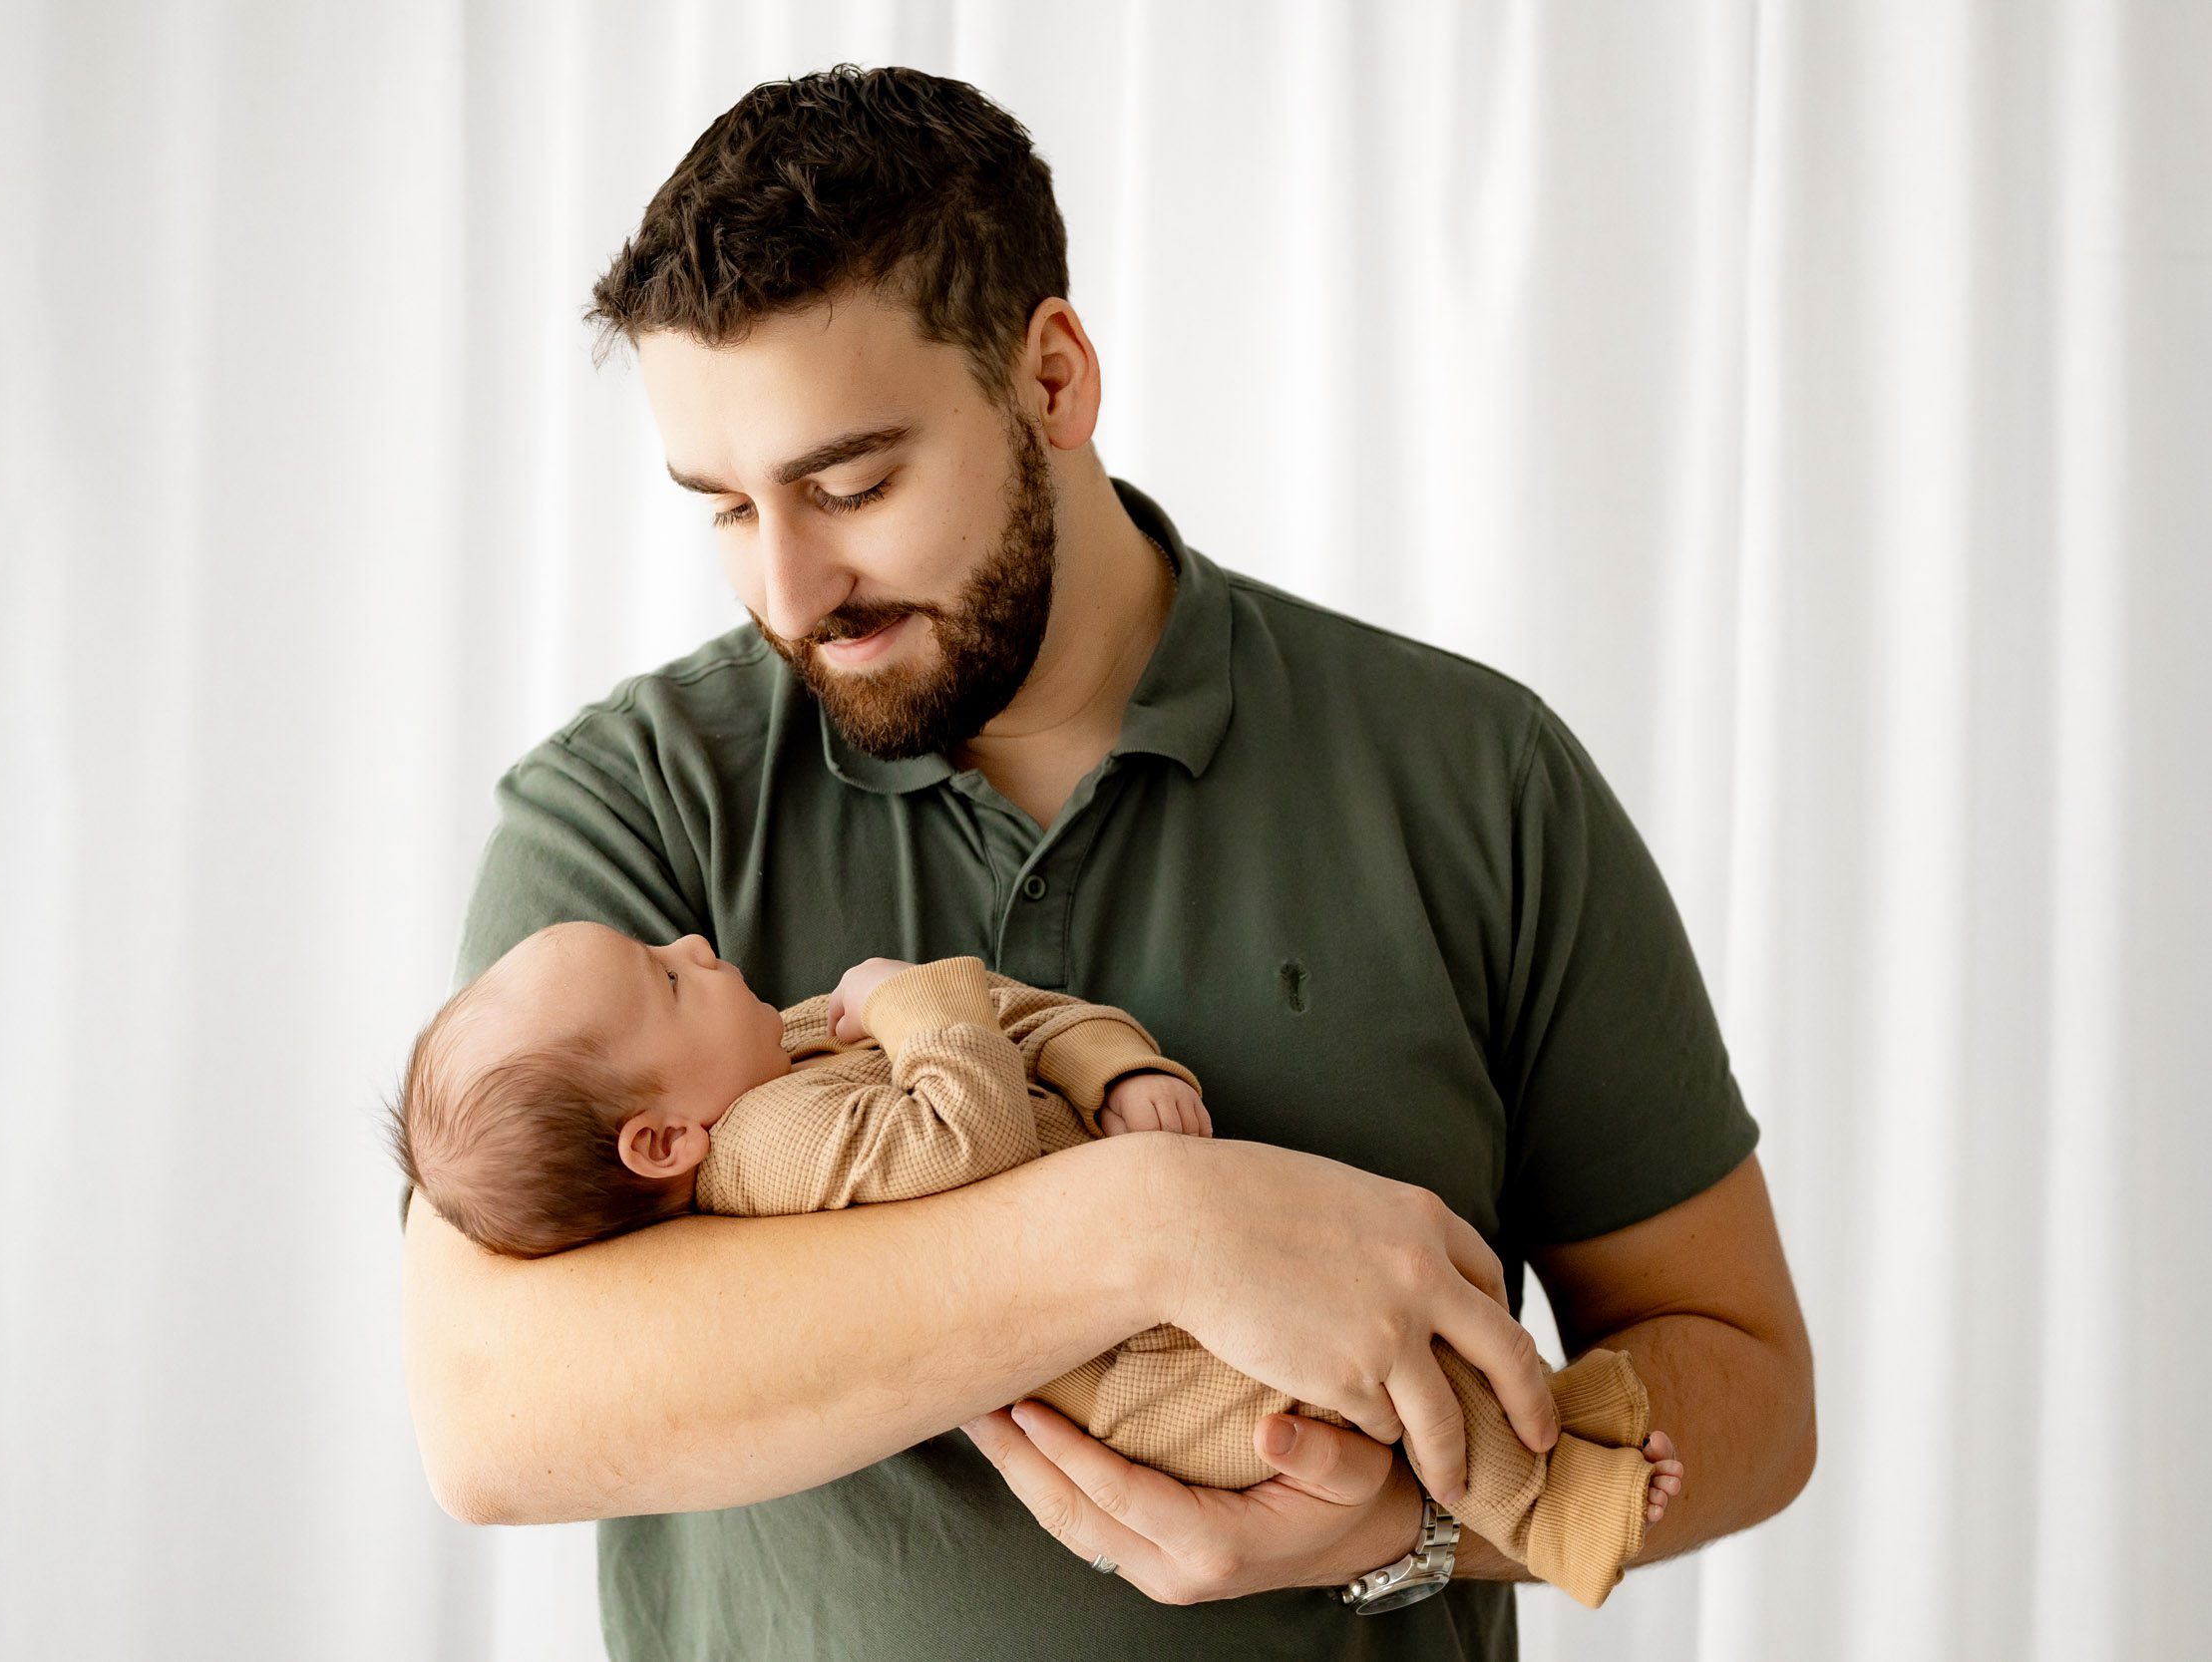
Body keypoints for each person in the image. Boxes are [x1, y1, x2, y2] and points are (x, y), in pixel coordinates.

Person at [397, 62, 1813, 1660]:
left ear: (1054, 379)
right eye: (725, 507)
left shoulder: (1472, 776)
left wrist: (1414, 1528)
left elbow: (1747, 1383)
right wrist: (1151, 1228)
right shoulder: (634, 811)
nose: (789, 588)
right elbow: (491, 1414)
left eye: (851, 484)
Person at [388, 926, 1685, 1605]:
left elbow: (1012, 1018)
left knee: (1398, 1370)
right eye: (663, 983)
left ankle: (1573, 1439)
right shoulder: (770, 1148)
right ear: (662, 1139)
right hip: (1144, 1381)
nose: (691, 947)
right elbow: (971, 1127)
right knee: (1384, 1396)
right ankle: (1558, 1497)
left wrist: (1116, 1066)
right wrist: (909, 1003)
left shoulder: (775, 1052)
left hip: (1178, 1317)